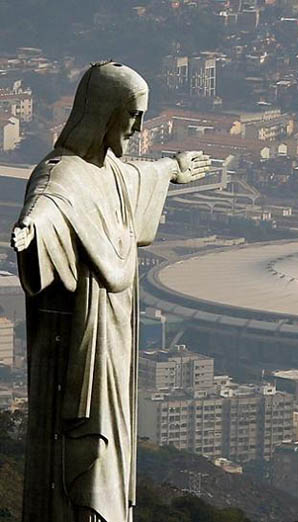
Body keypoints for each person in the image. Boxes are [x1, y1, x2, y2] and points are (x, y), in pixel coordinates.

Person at [9, 61, 210, 522]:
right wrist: (32, 230)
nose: (138, 127)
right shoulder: (64, 174)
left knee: (113, 438)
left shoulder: (111, 171)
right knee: (85, 440)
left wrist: (172, 169)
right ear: (104, 112)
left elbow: (139, 175)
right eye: (132, 115)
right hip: (83, 338)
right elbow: (47, 203)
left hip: (115, 339)